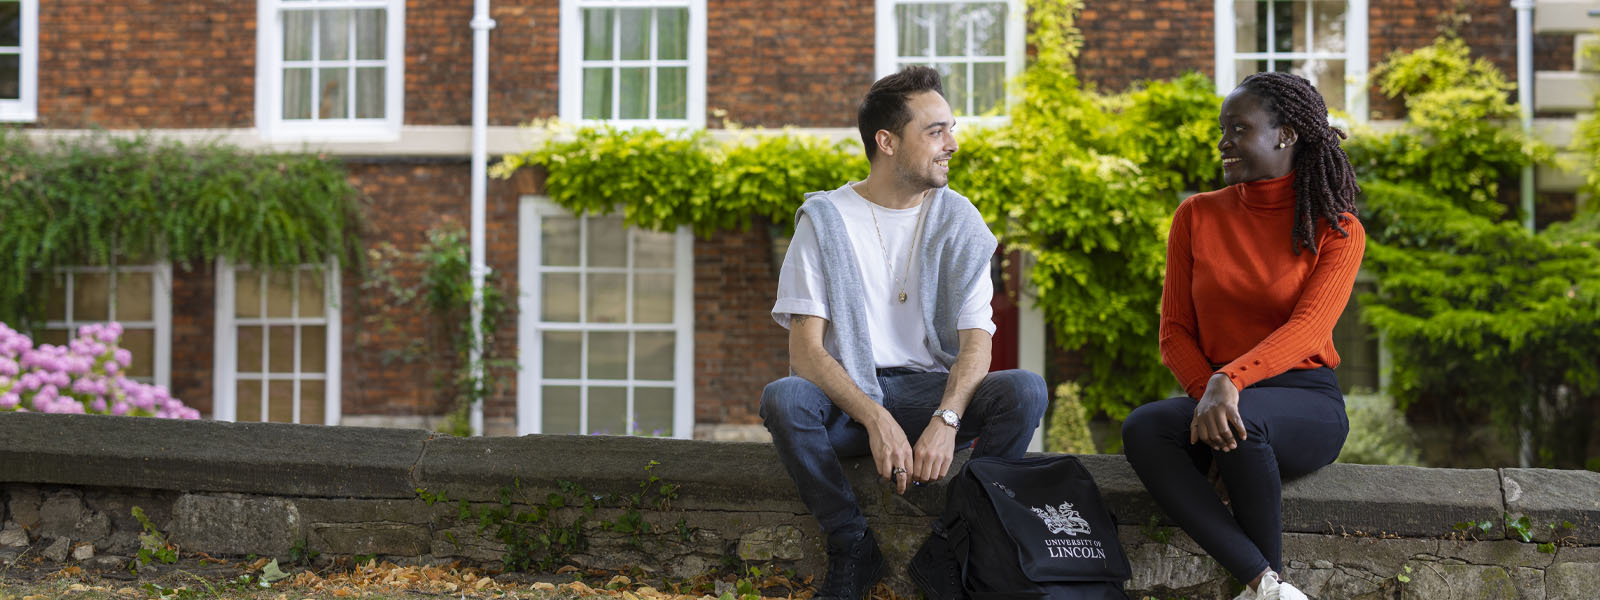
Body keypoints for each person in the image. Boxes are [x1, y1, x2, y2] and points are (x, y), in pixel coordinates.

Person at [760, 66, 1048, 600]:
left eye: (951, 129)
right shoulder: (824, 220)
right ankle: (851, 543)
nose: (952, 145)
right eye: (935, 131)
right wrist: (876, 420)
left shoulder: (959, 221)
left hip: (926, 395)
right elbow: (805, 353)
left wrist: (947, 417)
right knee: (785, 397)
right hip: (848, 403)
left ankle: (948, 547)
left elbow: (976, 341)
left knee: (1025, 390)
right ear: (887, 142)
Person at [1121, 71, 1365, 600]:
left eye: (1238, 128)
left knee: (1243, 420)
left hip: (1304, 401)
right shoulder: (1197, 215)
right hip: (1218, 395)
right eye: (1221, 129)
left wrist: (1229, 381)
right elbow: (1175, 332)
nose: (1223, 142)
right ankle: (1266, 585)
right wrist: (1212, 390)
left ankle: (1263, 586)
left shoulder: (1336, 226)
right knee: (1145, 427)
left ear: (1285, 135)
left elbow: (1308, 331)